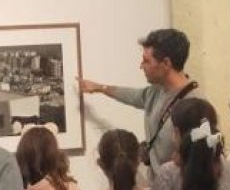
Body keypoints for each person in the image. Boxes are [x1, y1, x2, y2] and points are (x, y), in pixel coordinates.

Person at [77, 28, 200, 181]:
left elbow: (199, 162)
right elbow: (132, 96)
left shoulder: (194, 106)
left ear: (166, 63)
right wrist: (99, 88)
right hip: (157, 188)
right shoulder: (155, 92)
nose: (141, 66)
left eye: (146, 61)